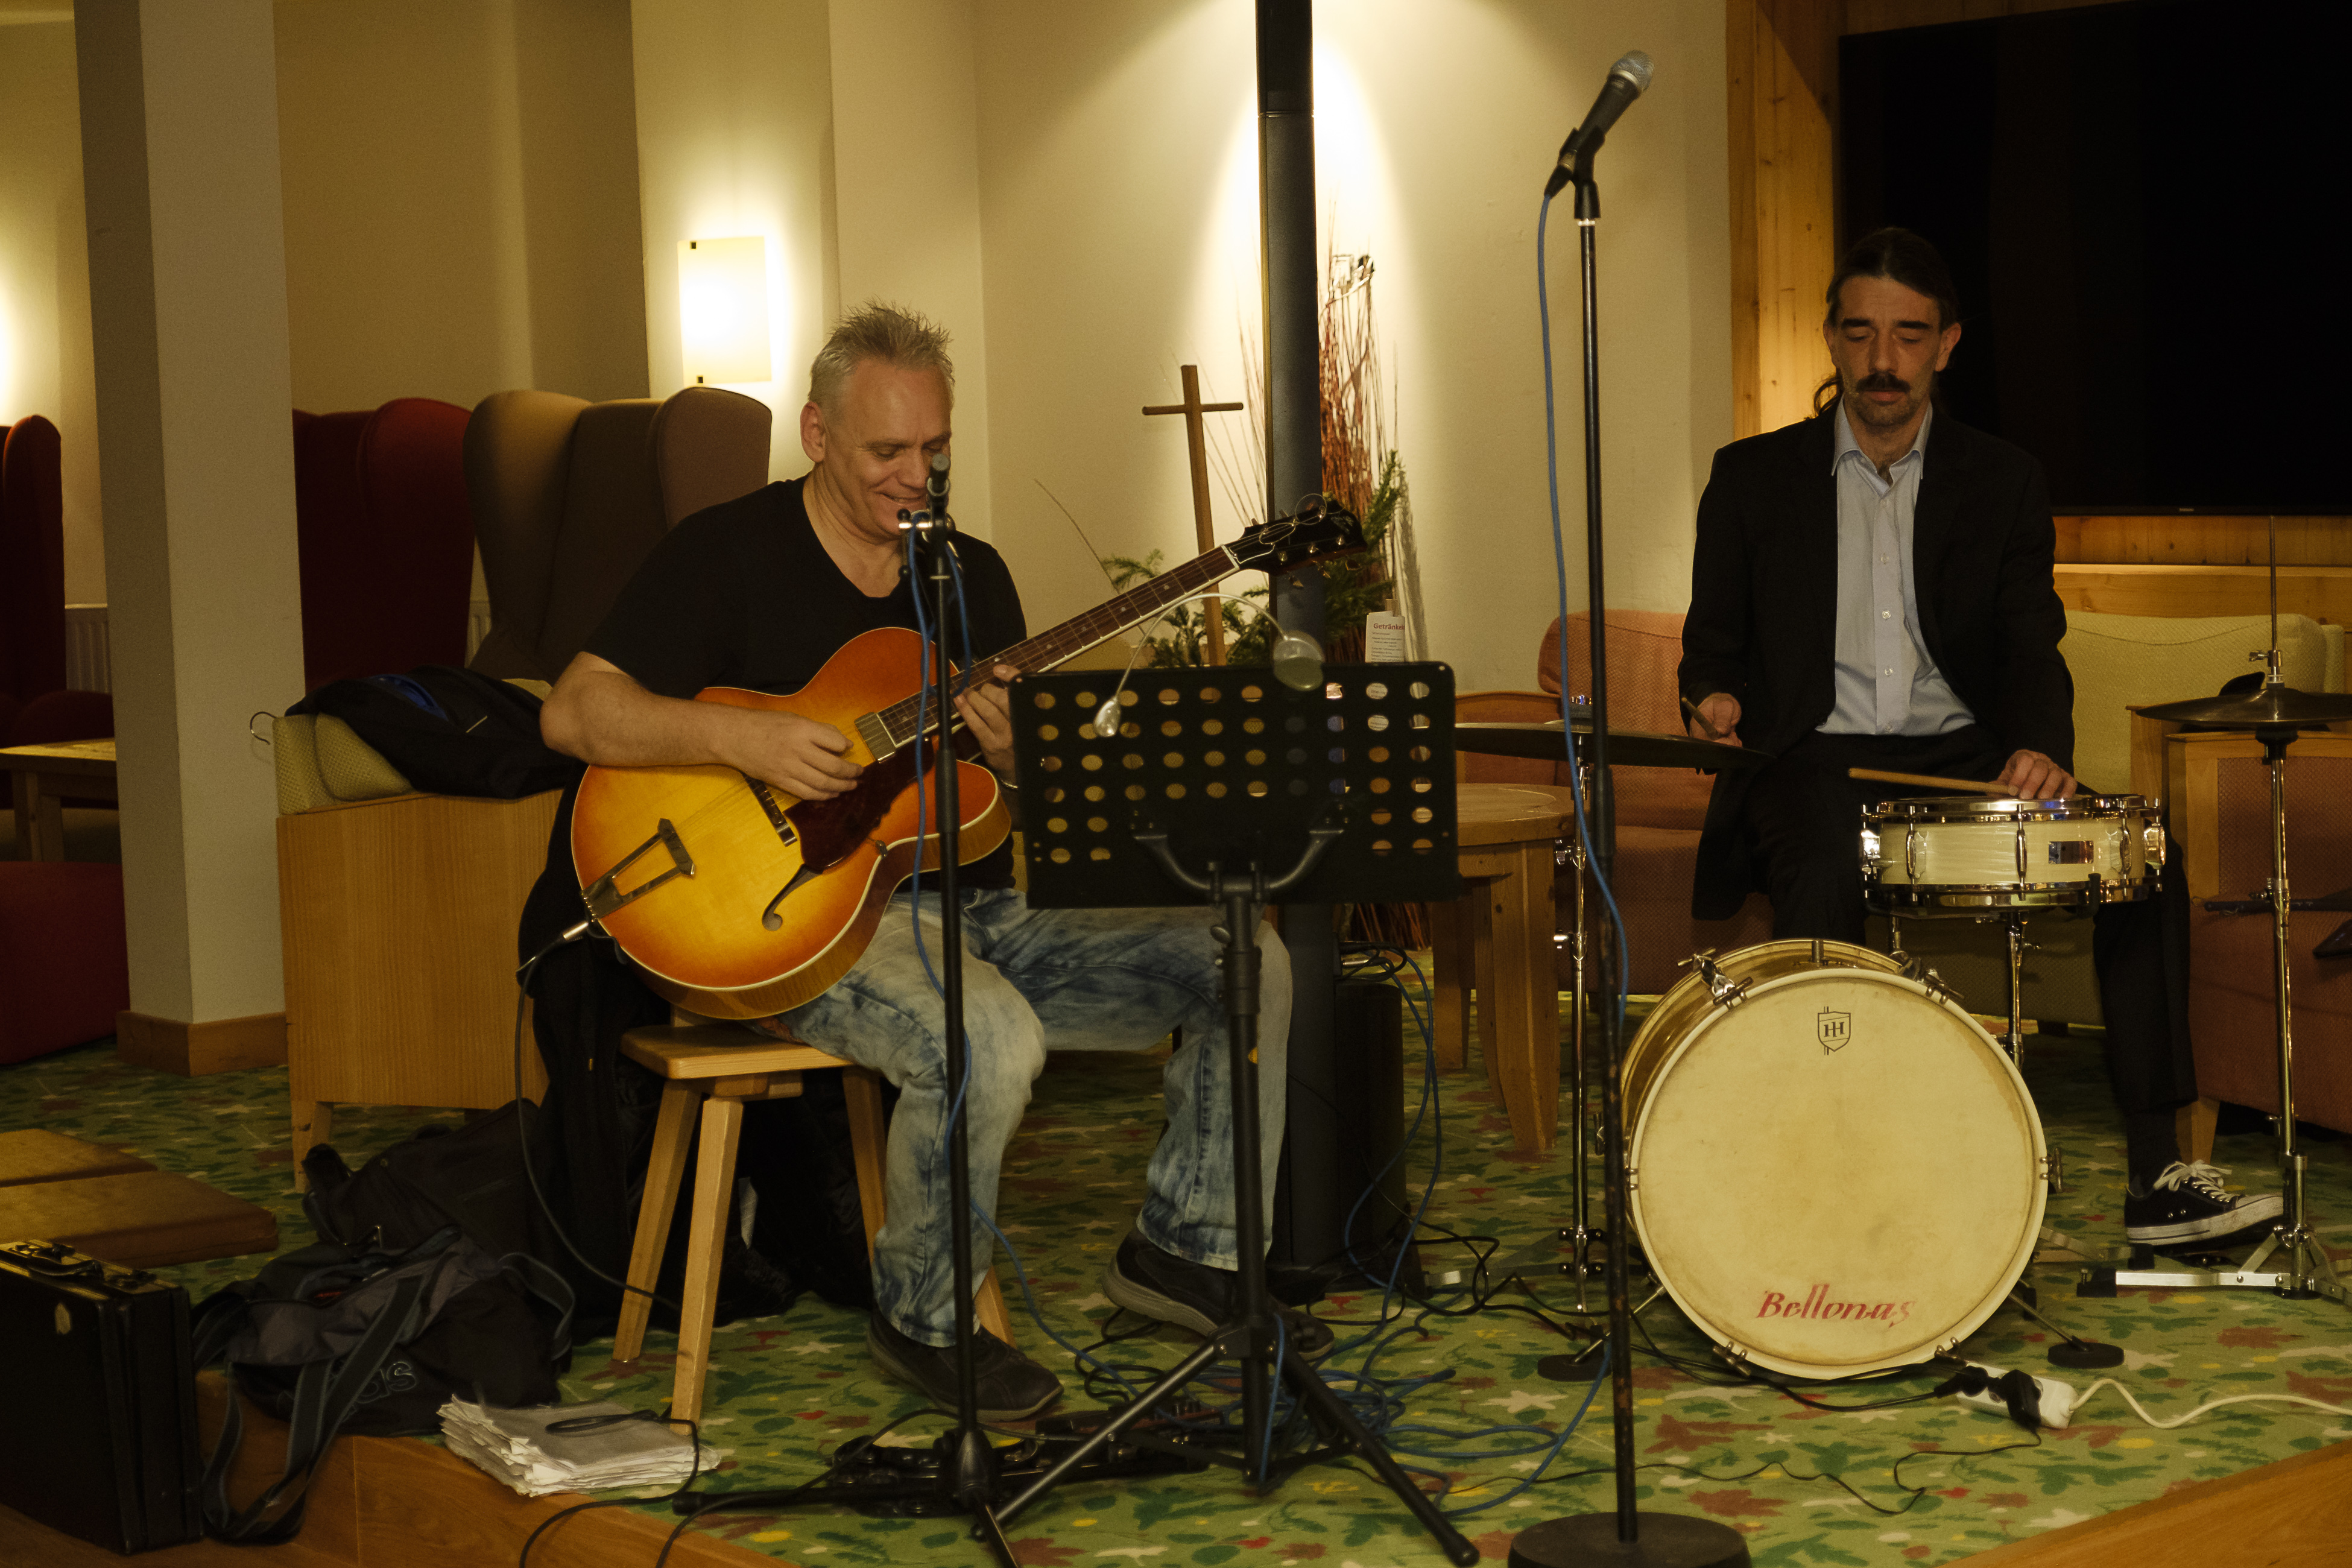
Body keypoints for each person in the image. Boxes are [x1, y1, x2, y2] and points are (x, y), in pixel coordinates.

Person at [539, 303, 1323, 1420]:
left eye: (936, 448)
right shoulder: (723, 555)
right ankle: (926, 1315)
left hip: (978, 911)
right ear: (816, 434)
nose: (917, 476)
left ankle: (1187, 1249)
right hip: (804, 923)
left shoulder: (969, 580)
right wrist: (743, 737)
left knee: (1243, 958)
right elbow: (573, 714)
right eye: (888, 451)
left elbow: (1010, 810)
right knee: (983, 1035)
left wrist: (1017, 759)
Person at [1677, 228, 2277, 1250]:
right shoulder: (1750, 478)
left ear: (1946, 344)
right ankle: (1821, 1166)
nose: (1883, 360)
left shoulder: (2003, 480)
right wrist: (1714, 698)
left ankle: (2159, 1174)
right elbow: (1712, 647)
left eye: (1909, 336)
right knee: (1823, 862)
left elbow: (2029, 641)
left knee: (2141, 861)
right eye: (1860, 333)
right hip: (1814, 759)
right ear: (1831, 338)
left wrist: (2040, 745)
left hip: (1959, 759)